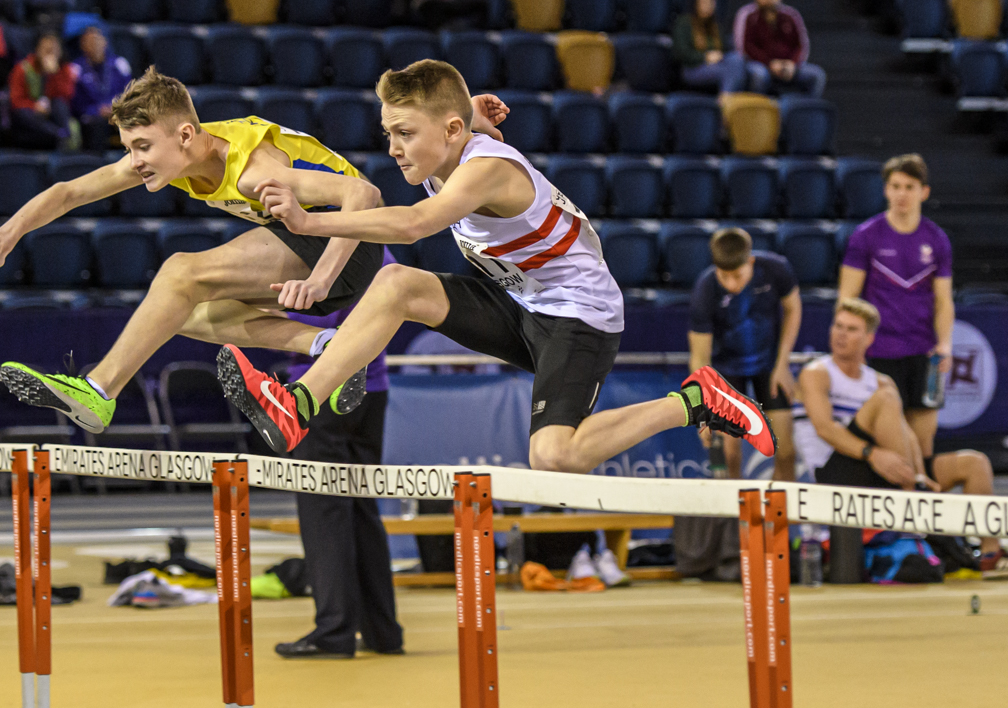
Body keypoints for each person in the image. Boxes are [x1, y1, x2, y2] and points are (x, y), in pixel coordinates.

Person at [217, 60, 776, 473]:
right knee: (395, 283)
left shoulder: (485, 169)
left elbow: (414, 225)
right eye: (388, 133)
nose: (393, 148)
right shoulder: (453, 148)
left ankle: (696, 401)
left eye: (405, 134)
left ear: (450, 131)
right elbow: (455, 121)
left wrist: (307, 223)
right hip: (520, 302)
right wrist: (473, 116)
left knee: (555, 456)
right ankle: (298, 404)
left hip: (579, 316)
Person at [0, 67, 506, 434]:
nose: (134, 161)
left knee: (179, 272)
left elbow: (363, 194)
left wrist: (319, 279)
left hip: (344, 243)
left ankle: (98, 391)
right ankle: (330, 347)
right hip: (308, 246)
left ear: (185, 135)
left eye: (142, 147)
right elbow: (69, 191)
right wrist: (4, 236)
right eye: (129, 148)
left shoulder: (253, 169)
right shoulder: (174, 153)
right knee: (181, 313)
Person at [794, 298, 999, 561]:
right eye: (838, 326)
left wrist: (920, 474)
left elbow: (907, 435)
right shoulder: (817, 373)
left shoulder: (881, 381)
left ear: (869, 338)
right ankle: (917, 522)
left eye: (851, 329)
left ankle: (989, 556)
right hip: (837, 471)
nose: (841, 334)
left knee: (975, 463)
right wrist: (872, 454)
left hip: (885, 467)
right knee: (886, 399)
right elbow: (825, 428)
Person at [276, 305, 402, 659]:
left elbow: (319, 324)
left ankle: (334, 631)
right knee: (362, 509)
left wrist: (272, 314)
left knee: (323, 511)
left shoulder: (322, 271)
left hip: (319, 389)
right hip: (372, 387)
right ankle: (383, 632)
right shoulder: (379, 268)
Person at [838, 154, 952, 464]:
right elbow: (848, 299)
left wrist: (945, 344)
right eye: (896, 186)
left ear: (924, 192)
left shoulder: (937, 239)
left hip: (924, 352)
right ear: (886, 190)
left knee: (924, 441)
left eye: (909, 187)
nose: (902, 194)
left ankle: (922, 491)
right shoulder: (866, 236)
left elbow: (944, 300)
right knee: (888, 438)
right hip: (880, 351)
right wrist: (853, 346)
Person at [688, 226, 800, 480]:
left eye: (737, 276)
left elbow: (793, 308)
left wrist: (783, 363)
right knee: (728, 455)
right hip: (726, 371)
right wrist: (703, 406)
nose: (731, 284)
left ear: (750, 261)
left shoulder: (775, 269)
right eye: (724, 276)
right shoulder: (705, 288)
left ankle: (777, 507)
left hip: (769, 365)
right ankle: (735, 507)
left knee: (786, 453)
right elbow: (700, 357)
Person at [733, 0, 826, 97]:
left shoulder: (790, 14)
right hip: (760, 64)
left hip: (788, 65)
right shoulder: (747, 14)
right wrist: (769, 63)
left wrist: (793, 63)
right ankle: (757, 106)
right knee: (759, 74)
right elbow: (745, 47)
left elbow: (801, 46)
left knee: (816, 74)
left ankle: (806, 106)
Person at [9, 32, 80, 150]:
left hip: (53, 112)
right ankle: (59, 134)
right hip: (32, 113)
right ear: (37, 50)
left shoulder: (64, 69)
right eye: (46, 50)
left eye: (54, 50)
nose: (51, 54)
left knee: (60, 104)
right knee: (22, 114)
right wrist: (34, 106)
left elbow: (67, 96)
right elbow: (16, 100)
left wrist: (53, 74)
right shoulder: (23, 68)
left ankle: (64, 137)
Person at [70, 26, 133, 152]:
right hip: (91, 117)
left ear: (105, 42)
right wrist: (96, 110)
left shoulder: (119, 64)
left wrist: (115, 107)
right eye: (89, 41)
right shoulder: (75, 69)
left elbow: (129, 92)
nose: (94, 44)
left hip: (117, 112)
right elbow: (74, 102)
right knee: (97, 125)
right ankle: (96, 160)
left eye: (97, 40)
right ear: (82, 45)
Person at [674, 0, 749, 95]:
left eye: (711, 3)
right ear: (696, 4)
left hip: (716, 64)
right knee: (728, 72)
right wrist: (705, 57)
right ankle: (726, 99)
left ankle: (737, 98)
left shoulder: (715, 26)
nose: (708, 6)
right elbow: (681, 54)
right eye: (705, 3)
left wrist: (718, 56)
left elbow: (724, 50)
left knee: (736, 58)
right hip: (693, 67)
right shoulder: (684, 23)